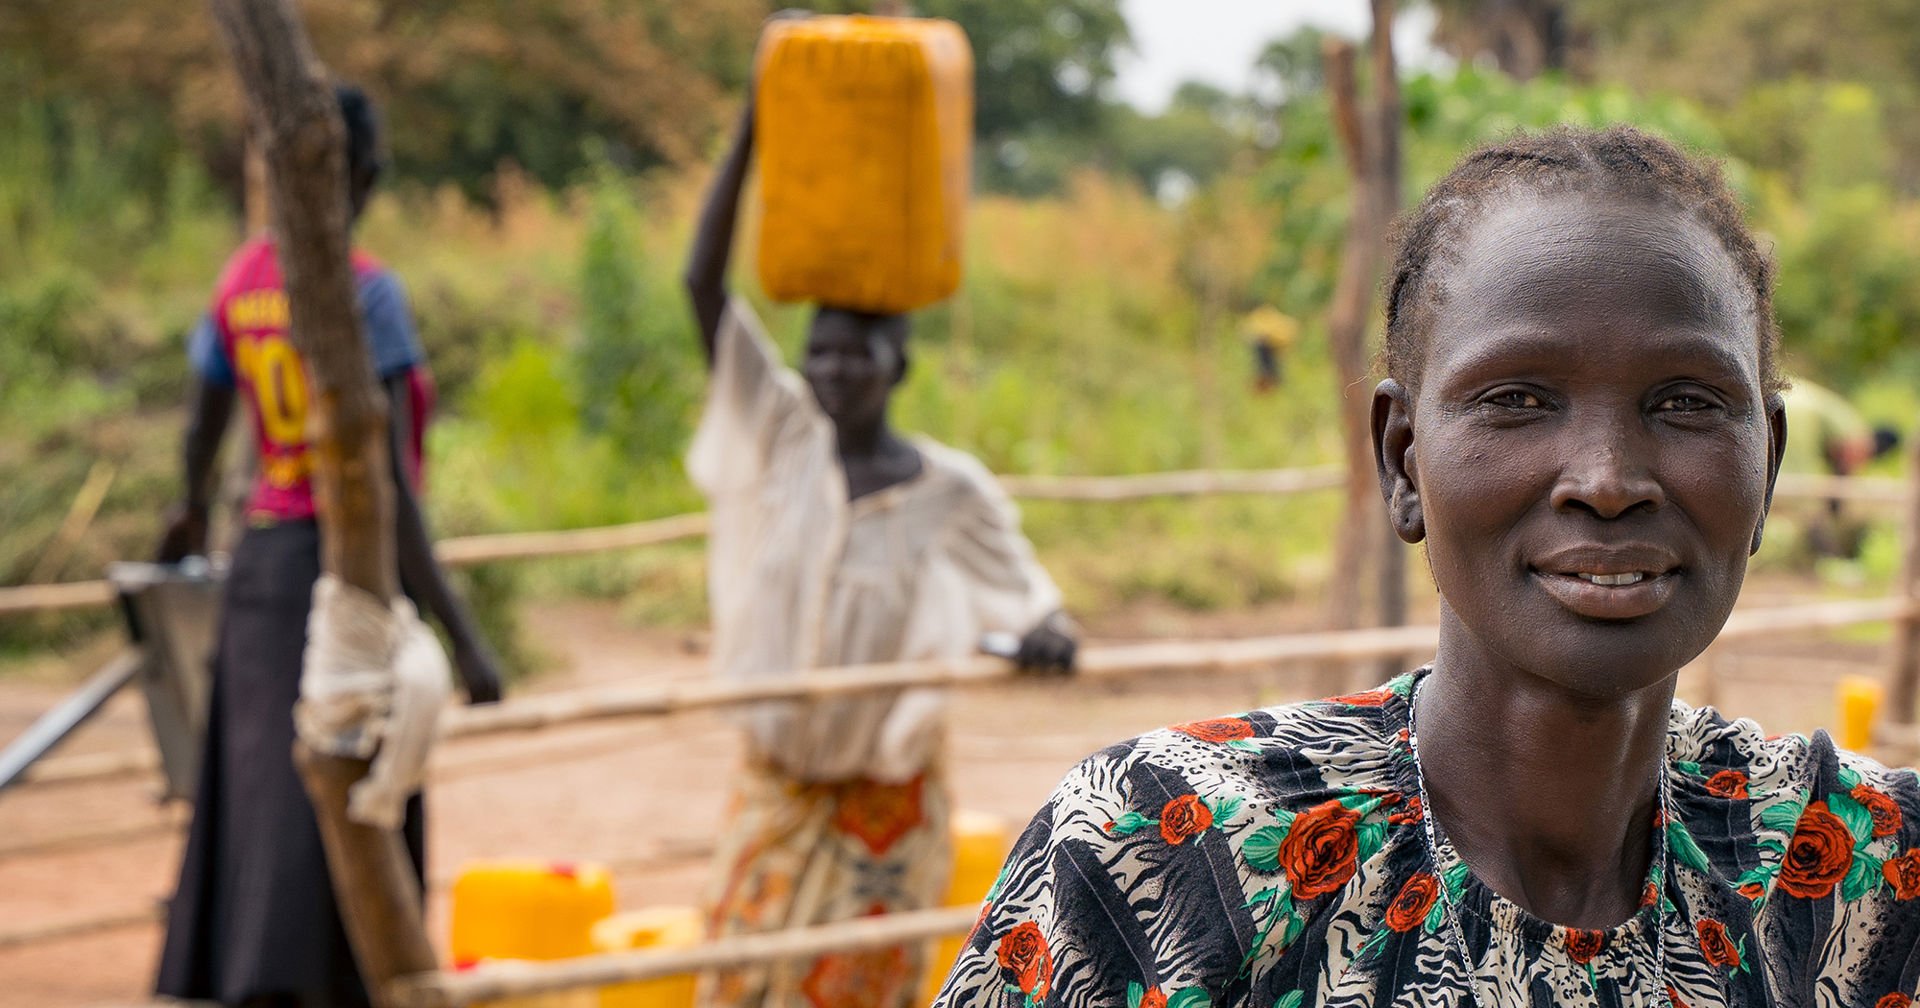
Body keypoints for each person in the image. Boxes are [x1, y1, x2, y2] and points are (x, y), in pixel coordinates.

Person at [935, 126, 1920, 1008]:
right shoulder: (1169, 858)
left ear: (1771, 464)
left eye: (1687, 403)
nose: (1608, 480)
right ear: (1402, 459)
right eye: (1518, 400)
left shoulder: (1853, 870)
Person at [682, 67, 1079, 1008]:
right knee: (736, 984)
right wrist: (752, 131)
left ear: (899, 362)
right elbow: (701, 284)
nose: (832, 369)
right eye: (819, 349)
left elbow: (1032, 599)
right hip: (774, 796)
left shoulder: (948, 490)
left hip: (883, 820)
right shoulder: (781, 437)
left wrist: (1046, 635)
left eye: (856, 352)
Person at [154, 84, 502, 1008]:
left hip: (264, 573)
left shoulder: (240, 282)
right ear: (368, 177)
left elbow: (201, 431)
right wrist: (462, 636)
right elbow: (383, 488)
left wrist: (189, 511)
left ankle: (250, 980)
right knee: (348, 787)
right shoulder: (367, 294)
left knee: (262, 795)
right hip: (341, 569)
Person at [1780, 376, 1900, 559]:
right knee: (1801, 496)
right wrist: (1834, 504)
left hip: (1789, 396)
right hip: (1797, 414)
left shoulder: (1844, 415)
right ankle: (1828, 556)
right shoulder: (1859, 435)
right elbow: (1846, 463)